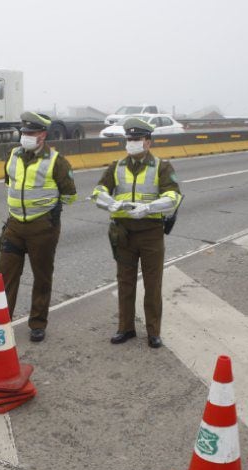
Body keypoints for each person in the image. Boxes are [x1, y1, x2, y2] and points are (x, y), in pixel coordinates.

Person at [0, 111, 77, 342]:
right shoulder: (13, 155)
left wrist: (49, 210)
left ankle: (38, 324)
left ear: (42, 134)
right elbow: (8, 183)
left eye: (31, 132)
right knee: (4, 277)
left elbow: (70, 195)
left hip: (42, 228)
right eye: (23, 132)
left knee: (41, 277)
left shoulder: (56, 161)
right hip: (14, 226)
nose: (26, 136)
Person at [90, 117, 182, 349]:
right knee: (125, 282)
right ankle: (126, 327)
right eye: (129, 139)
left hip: (150, 232)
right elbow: (98, 190)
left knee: (152, 284)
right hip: (123, 232)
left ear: (148, 142)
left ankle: (153, 331)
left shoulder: (162, 167)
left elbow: (174, 196)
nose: (132, 143)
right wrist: (108, 202)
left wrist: (149, 208)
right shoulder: (116, 166)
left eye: (137, 139)